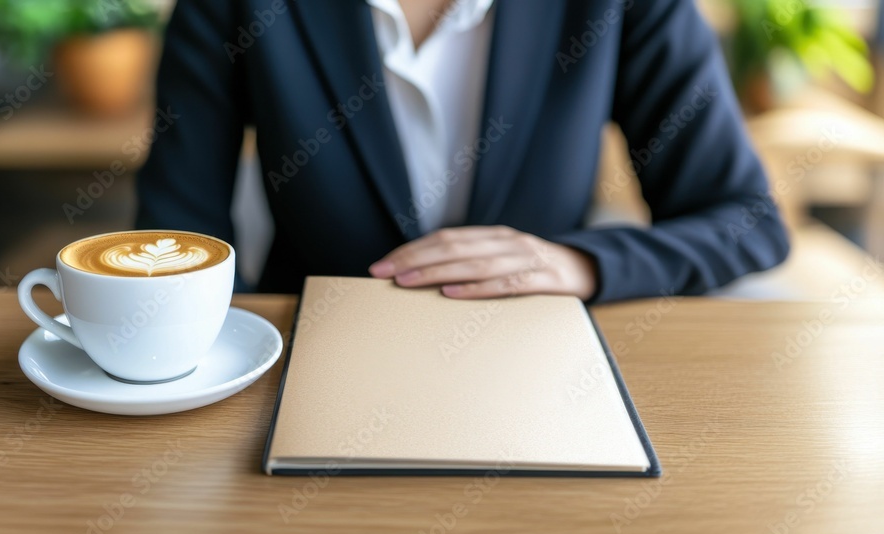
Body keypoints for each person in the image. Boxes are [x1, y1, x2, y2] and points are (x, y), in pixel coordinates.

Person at [135, 0, 790, 302]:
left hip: (545, 359)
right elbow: (174, 234)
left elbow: (746, 220)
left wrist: (581, 265)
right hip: (305, 350)